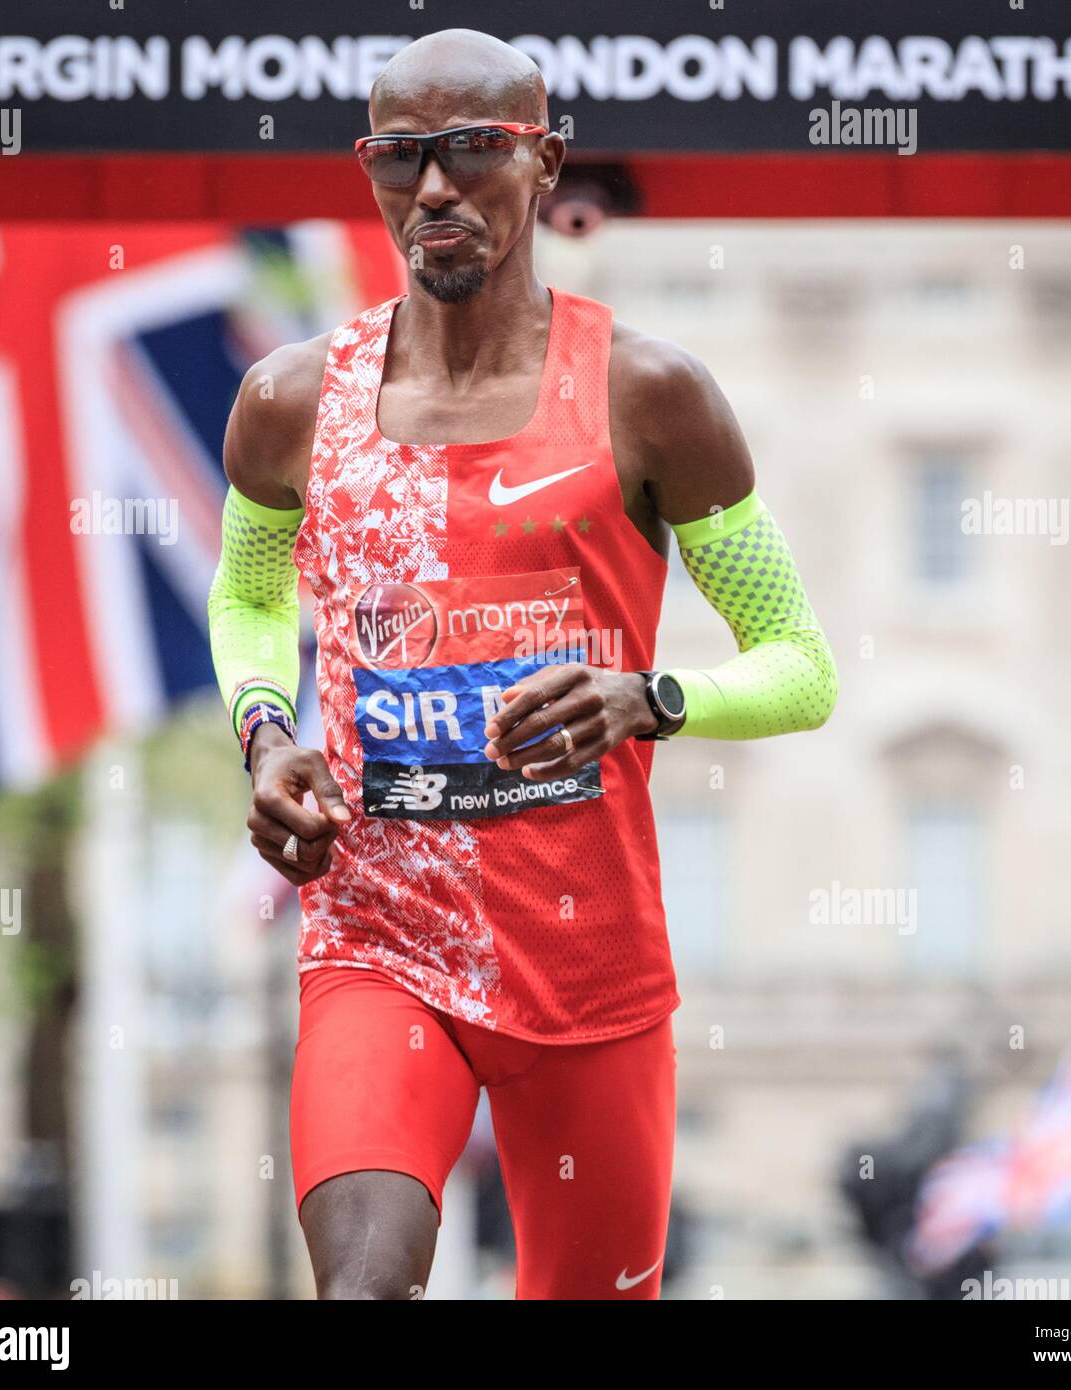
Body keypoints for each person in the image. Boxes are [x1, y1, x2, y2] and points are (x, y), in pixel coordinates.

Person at [207, 27, 837, 1300]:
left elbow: (801, 665)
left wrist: (648, 698)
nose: (434, 189)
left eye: (475, 151)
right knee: (362, 1290)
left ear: (546, 162)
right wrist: (269, 735)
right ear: (370, 171)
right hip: (377, 935)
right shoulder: (289, 401)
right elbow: (249, 595)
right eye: (401, 157)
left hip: (587, 967)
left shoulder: (650, 394)